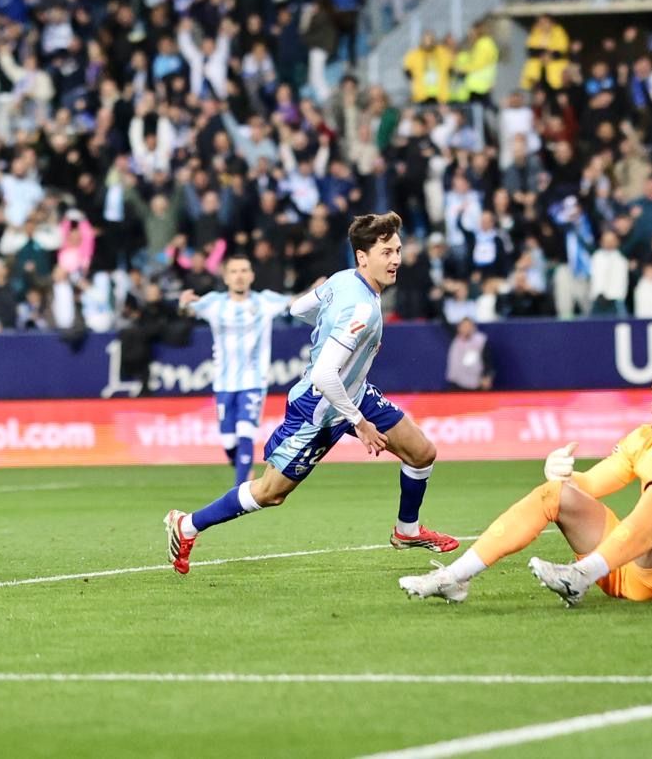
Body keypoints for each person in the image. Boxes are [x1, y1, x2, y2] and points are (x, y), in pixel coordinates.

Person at [164, 213, 459, 575]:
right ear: (363, 257)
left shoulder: (344, 279)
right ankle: (188, 524)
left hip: (354, 392)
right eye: (386, 252)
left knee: (422, 452)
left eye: (397, 250)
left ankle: (407, 530)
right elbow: (323, 374)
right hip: (320, 407)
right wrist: (360, 423)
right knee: (270, 492)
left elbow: (298, 308)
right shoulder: (363, 309)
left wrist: (328, 328)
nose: (395, 259)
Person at [400, 359, 652, 608]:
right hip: (619, 565)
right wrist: (560, 473)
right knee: (555, 494)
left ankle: (580, 576)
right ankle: (454, 578)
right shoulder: (643, 438)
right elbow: (591, 484)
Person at [177, 255, 293, 485]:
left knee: (245, 431)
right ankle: (241, 464)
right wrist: (182, 303)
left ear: (251, 275)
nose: (239, 276)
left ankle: (238, 491)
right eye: (234, 271)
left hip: (254, 380)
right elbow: (186, 312)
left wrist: (316, 290)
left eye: (244, 270)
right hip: (223, 382)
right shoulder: (213, 303)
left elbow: (295, 302)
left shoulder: (266, 301)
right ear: (226, 277)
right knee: (229, 441)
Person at [445, 316, 494, 391]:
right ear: (459, 328)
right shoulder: (455, 338)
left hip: (476, 384)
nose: (466, 328)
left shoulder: (481, 341)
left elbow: (488, 361)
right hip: (457, 384)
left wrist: (486, 376)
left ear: (473, 327)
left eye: (468, 326)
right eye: (464, 326)